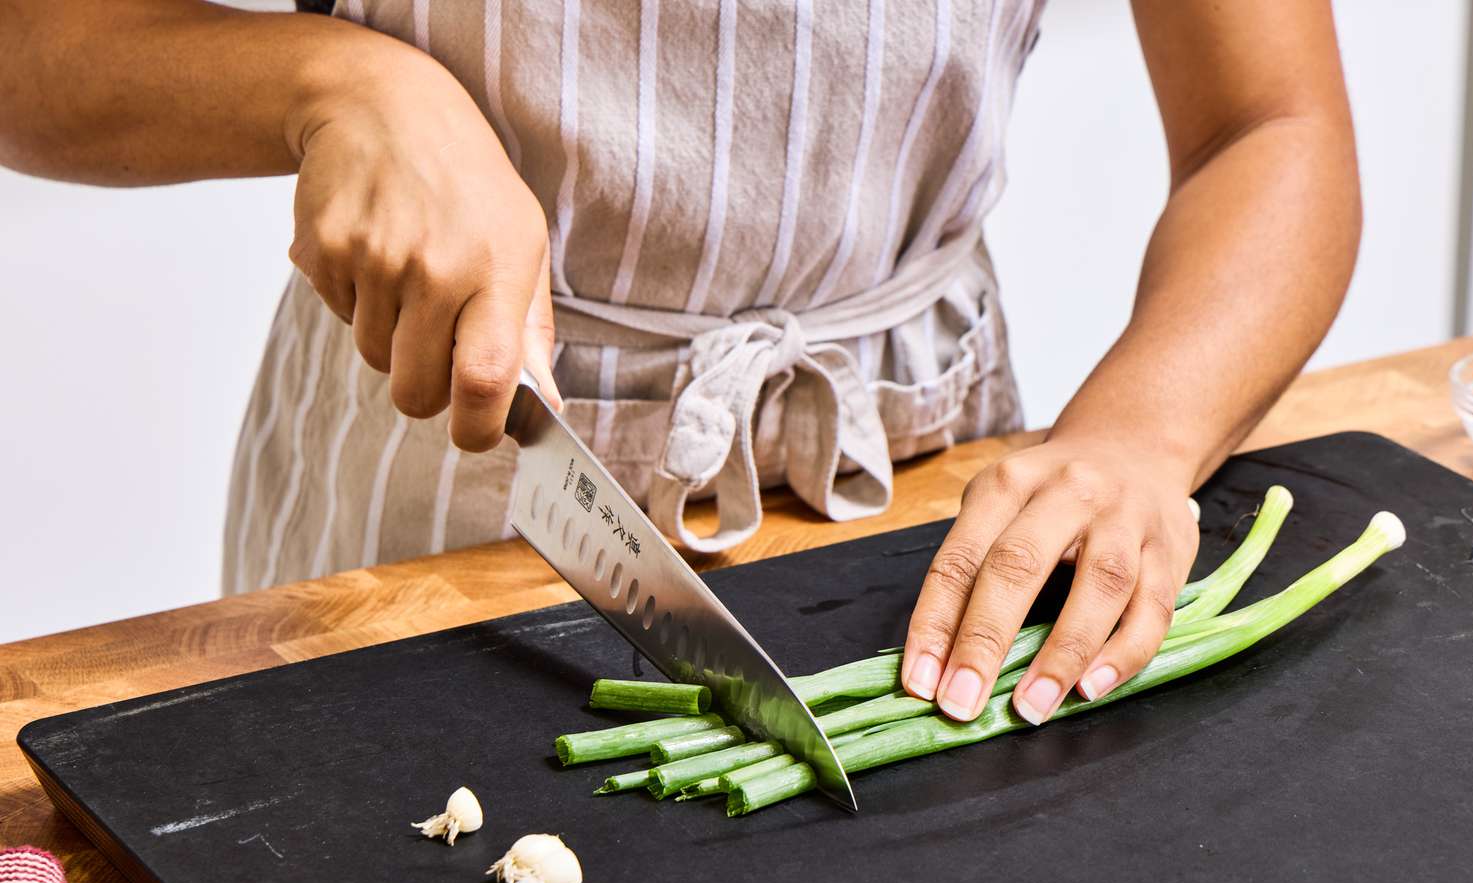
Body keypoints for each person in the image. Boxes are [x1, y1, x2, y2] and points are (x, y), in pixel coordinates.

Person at [0, 1, 1359, 727]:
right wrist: (338, 85)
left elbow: (1273, 125)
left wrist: (1139, 435)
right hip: (434, 463)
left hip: (928, 510)